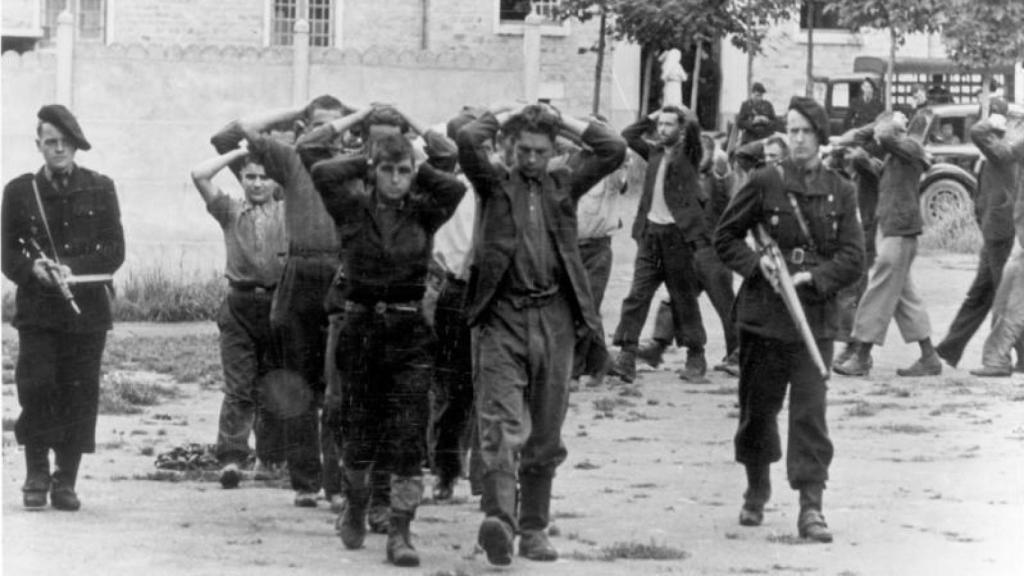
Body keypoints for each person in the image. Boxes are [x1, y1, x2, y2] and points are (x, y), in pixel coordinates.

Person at [456, 103, 626, 565]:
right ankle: (499, 521)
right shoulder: (492, 184)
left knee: (546, 430)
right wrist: (506, 113)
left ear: (555, 152)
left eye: (541, 151)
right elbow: (464, 137)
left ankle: (533, 528)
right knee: (500, 423)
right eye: (524, 150)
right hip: (502, 317)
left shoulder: (562, 185)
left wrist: (560, 119)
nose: (531, 159)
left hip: (554, 316)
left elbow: (613, 148)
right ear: (510, 150)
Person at [310, 111, 466, 567]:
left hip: (409, 332)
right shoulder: (352, 209)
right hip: (360, 329)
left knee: (407, 434)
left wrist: (415, 147)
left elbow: (453, 182)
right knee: (359, 431)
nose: (396, 180)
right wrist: (367, 155)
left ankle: (401, 531)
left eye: (403, 172)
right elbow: (320, 168)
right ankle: (356, 506)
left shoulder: (425, 211)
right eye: (387, 170)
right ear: (374, 172)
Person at [714, 95, 864, 544]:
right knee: (758, 410)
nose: (798, 138)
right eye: (792, 130)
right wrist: (756, 266)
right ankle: (757, 486)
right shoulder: (764, 181)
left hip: (813, 318)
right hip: (764, 316)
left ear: (820, 136)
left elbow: (854, 257)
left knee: (810, 414)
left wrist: (814, 278)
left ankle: (811, 505)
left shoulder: (842, 189)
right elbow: (725, 236)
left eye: (806, 131)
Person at [211, 95, 350, 508]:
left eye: (336, 129)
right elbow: (235, 132)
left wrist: (362, 117)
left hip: (342, 278)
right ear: (305, 130)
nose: (328, 136)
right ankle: (306, 482)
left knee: (341, 389)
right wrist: (296, 112)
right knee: (299, 385)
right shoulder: (289, 163)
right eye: (318, 127)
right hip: (298, 279)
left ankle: (339, 482)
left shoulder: (356, 165)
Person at [2, 104, 126, 511]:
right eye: (50, 142)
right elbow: (6, 251)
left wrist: (73, 269)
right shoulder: (19, 191)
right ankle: (36, 473)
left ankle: (65, 480)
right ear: (37, 145)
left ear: (76, 146)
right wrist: (31, 268)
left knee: (79, 392)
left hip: (86, 312)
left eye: (65, 143)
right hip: (38, 311)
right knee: (36, 386)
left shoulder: (101, 186)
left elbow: (114, 251)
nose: (58, 149)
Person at [190, 148, 287, 489]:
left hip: (278, 304)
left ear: (276, 180)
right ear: (242, 180)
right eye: (251, 177)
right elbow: (200, 174)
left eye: (264, 176)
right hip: (239, 305)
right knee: (238, 388)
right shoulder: (230, 210)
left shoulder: (289, 212)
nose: (258, 183)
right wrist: (241, 151)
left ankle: (270, 458)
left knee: (274, 384)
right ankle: (231, 457)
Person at [834, 112, 940, 377]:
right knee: (906, 299)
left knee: (878, 291)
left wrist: (884, 122)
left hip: (899, 231)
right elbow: (888, 177)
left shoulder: (911, 145)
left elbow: (881, 134)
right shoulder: (905, 151)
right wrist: (865, 161)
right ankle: (929, 357)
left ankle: (862, 355)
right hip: (896, 229)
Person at [609, 105, 709, 384]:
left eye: (669, 125)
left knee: (683, 297)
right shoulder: (653, 151)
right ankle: (627, 355)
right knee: (636, 295)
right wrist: (650, 116)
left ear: (681, 129)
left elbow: (693, 135)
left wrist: (686, 117)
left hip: (678, 236)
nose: (662, 129)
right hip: (650, 235)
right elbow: (627, 136)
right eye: (660, 124)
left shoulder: (689, 154)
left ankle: (696, 355)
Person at [637, 133, 738, 377]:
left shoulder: (718, 178)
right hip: (686, 251)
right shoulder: (681, 178)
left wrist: (721, 164)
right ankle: (659, 346)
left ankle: (737, 355)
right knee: (676, 300)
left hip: (713, 251)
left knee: (726, 306)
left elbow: (727, 184)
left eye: (701, 152)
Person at [949, 115, 1024, 377]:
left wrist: (993, 123)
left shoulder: (1010, 147)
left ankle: (998, 359)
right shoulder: (1013, 146)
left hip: (1007, 231)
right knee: (993, 294)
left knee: (1006, 298)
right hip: (1005, 229)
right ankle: (954, 352)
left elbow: (982, 136)